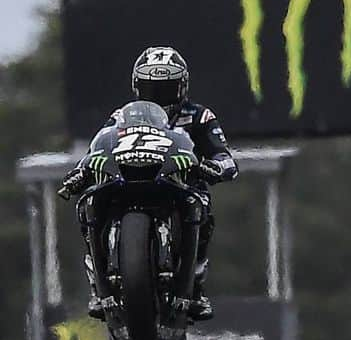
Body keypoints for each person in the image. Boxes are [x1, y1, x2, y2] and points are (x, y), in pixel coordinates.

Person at [58, 46, 238, 321]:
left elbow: (222, 154)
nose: (160, 98)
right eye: (152, 90)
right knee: (90, 201)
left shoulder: (201, 116)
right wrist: (81, 172)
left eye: (167, 89)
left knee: (199, 202)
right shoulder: (121, 116)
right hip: (126, 179)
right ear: (137, 87)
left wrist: (217, 167)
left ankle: (195, 284)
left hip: (178, 185)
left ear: (183, 87)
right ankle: (98, 281)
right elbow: (98, 148)